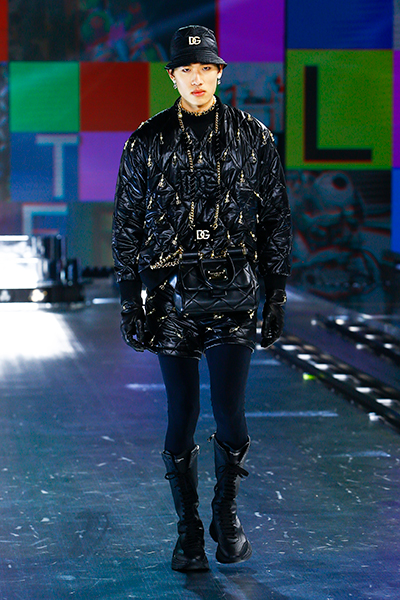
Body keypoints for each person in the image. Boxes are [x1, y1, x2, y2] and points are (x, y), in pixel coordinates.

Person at [112, 25, 292, 572]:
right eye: (186, 70)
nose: (196, 78)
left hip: (233, 294)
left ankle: (225, 512)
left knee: (231, 412)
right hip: (169, 299)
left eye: (206, 69)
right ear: (172, 76)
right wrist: (130, 299)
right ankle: (188, 529)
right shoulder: (146, 141)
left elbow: (275, 217)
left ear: (218, 73)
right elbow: (127, 223)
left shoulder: (253, 137)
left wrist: (277, 294)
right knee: (182, 413)